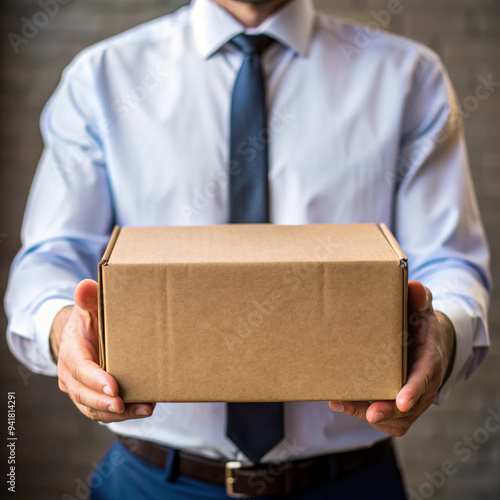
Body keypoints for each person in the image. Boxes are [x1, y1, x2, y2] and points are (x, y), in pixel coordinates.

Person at [4, 0, 491, 498]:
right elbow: (50, 261)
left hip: (350, 480)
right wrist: (64, 329)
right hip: (150, 480)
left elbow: (448, 259)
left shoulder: (408, 77)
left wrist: (445, 333)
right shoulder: (100, 78)